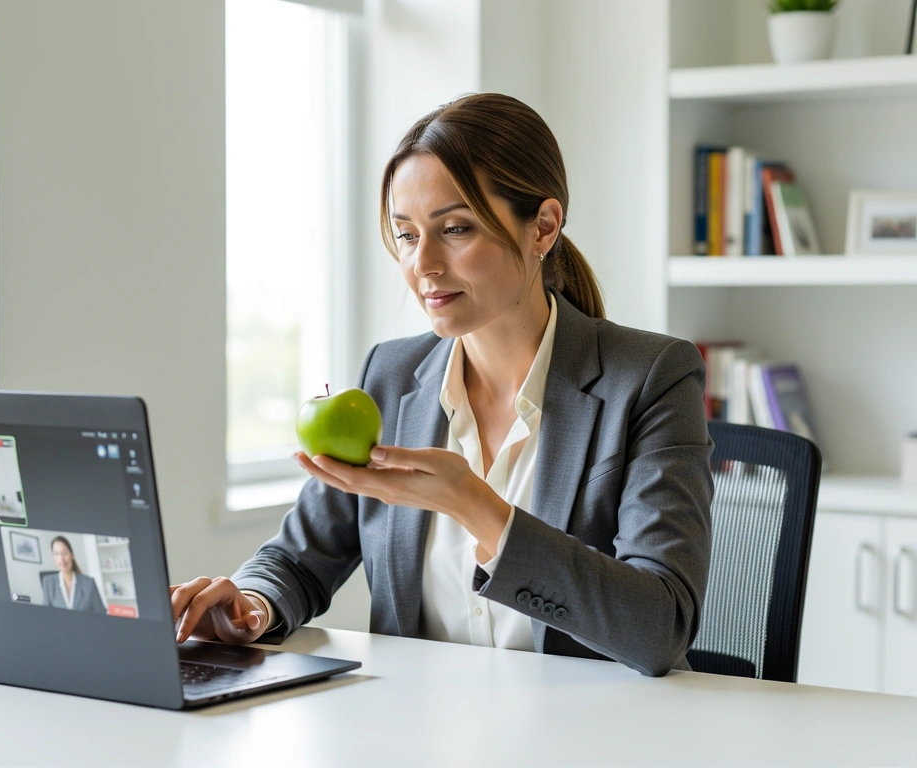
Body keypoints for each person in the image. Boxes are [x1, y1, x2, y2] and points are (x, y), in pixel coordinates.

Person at [169, 93, 713, 677]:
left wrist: (473, 504)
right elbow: (299, 559)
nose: (422, 264)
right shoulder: (391, 375)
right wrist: (249, 606)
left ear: (544, 227)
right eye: (406, 235)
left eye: (454, 229)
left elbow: (661, 627)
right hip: (415, 731)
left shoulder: (652, 378)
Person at [42, 536, 108, 613]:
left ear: (72, 555)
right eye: (56, 554)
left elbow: (101, 613)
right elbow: (46, 616)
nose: (61, 559)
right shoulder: (48, 583)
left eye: (64, 553)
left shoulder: (89, 583)